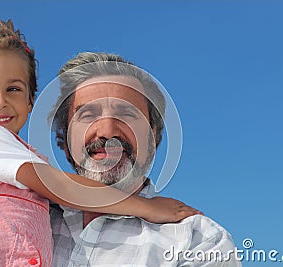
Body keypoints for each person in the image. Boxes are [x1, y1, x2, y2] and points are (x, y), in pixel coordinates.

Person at [0, 20, 200, 267]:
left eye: (14, 89)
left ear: (30, 101)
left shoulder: (197, 241)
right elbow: (62, 187)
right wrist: (148, 207)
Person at [49, 52, 242, 266]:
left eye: (126, 114)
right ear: (65, 140)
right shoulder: (19, 213)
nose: (107, 131)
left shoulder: (200, 242)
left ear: (152, 138)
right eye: (88, 115)